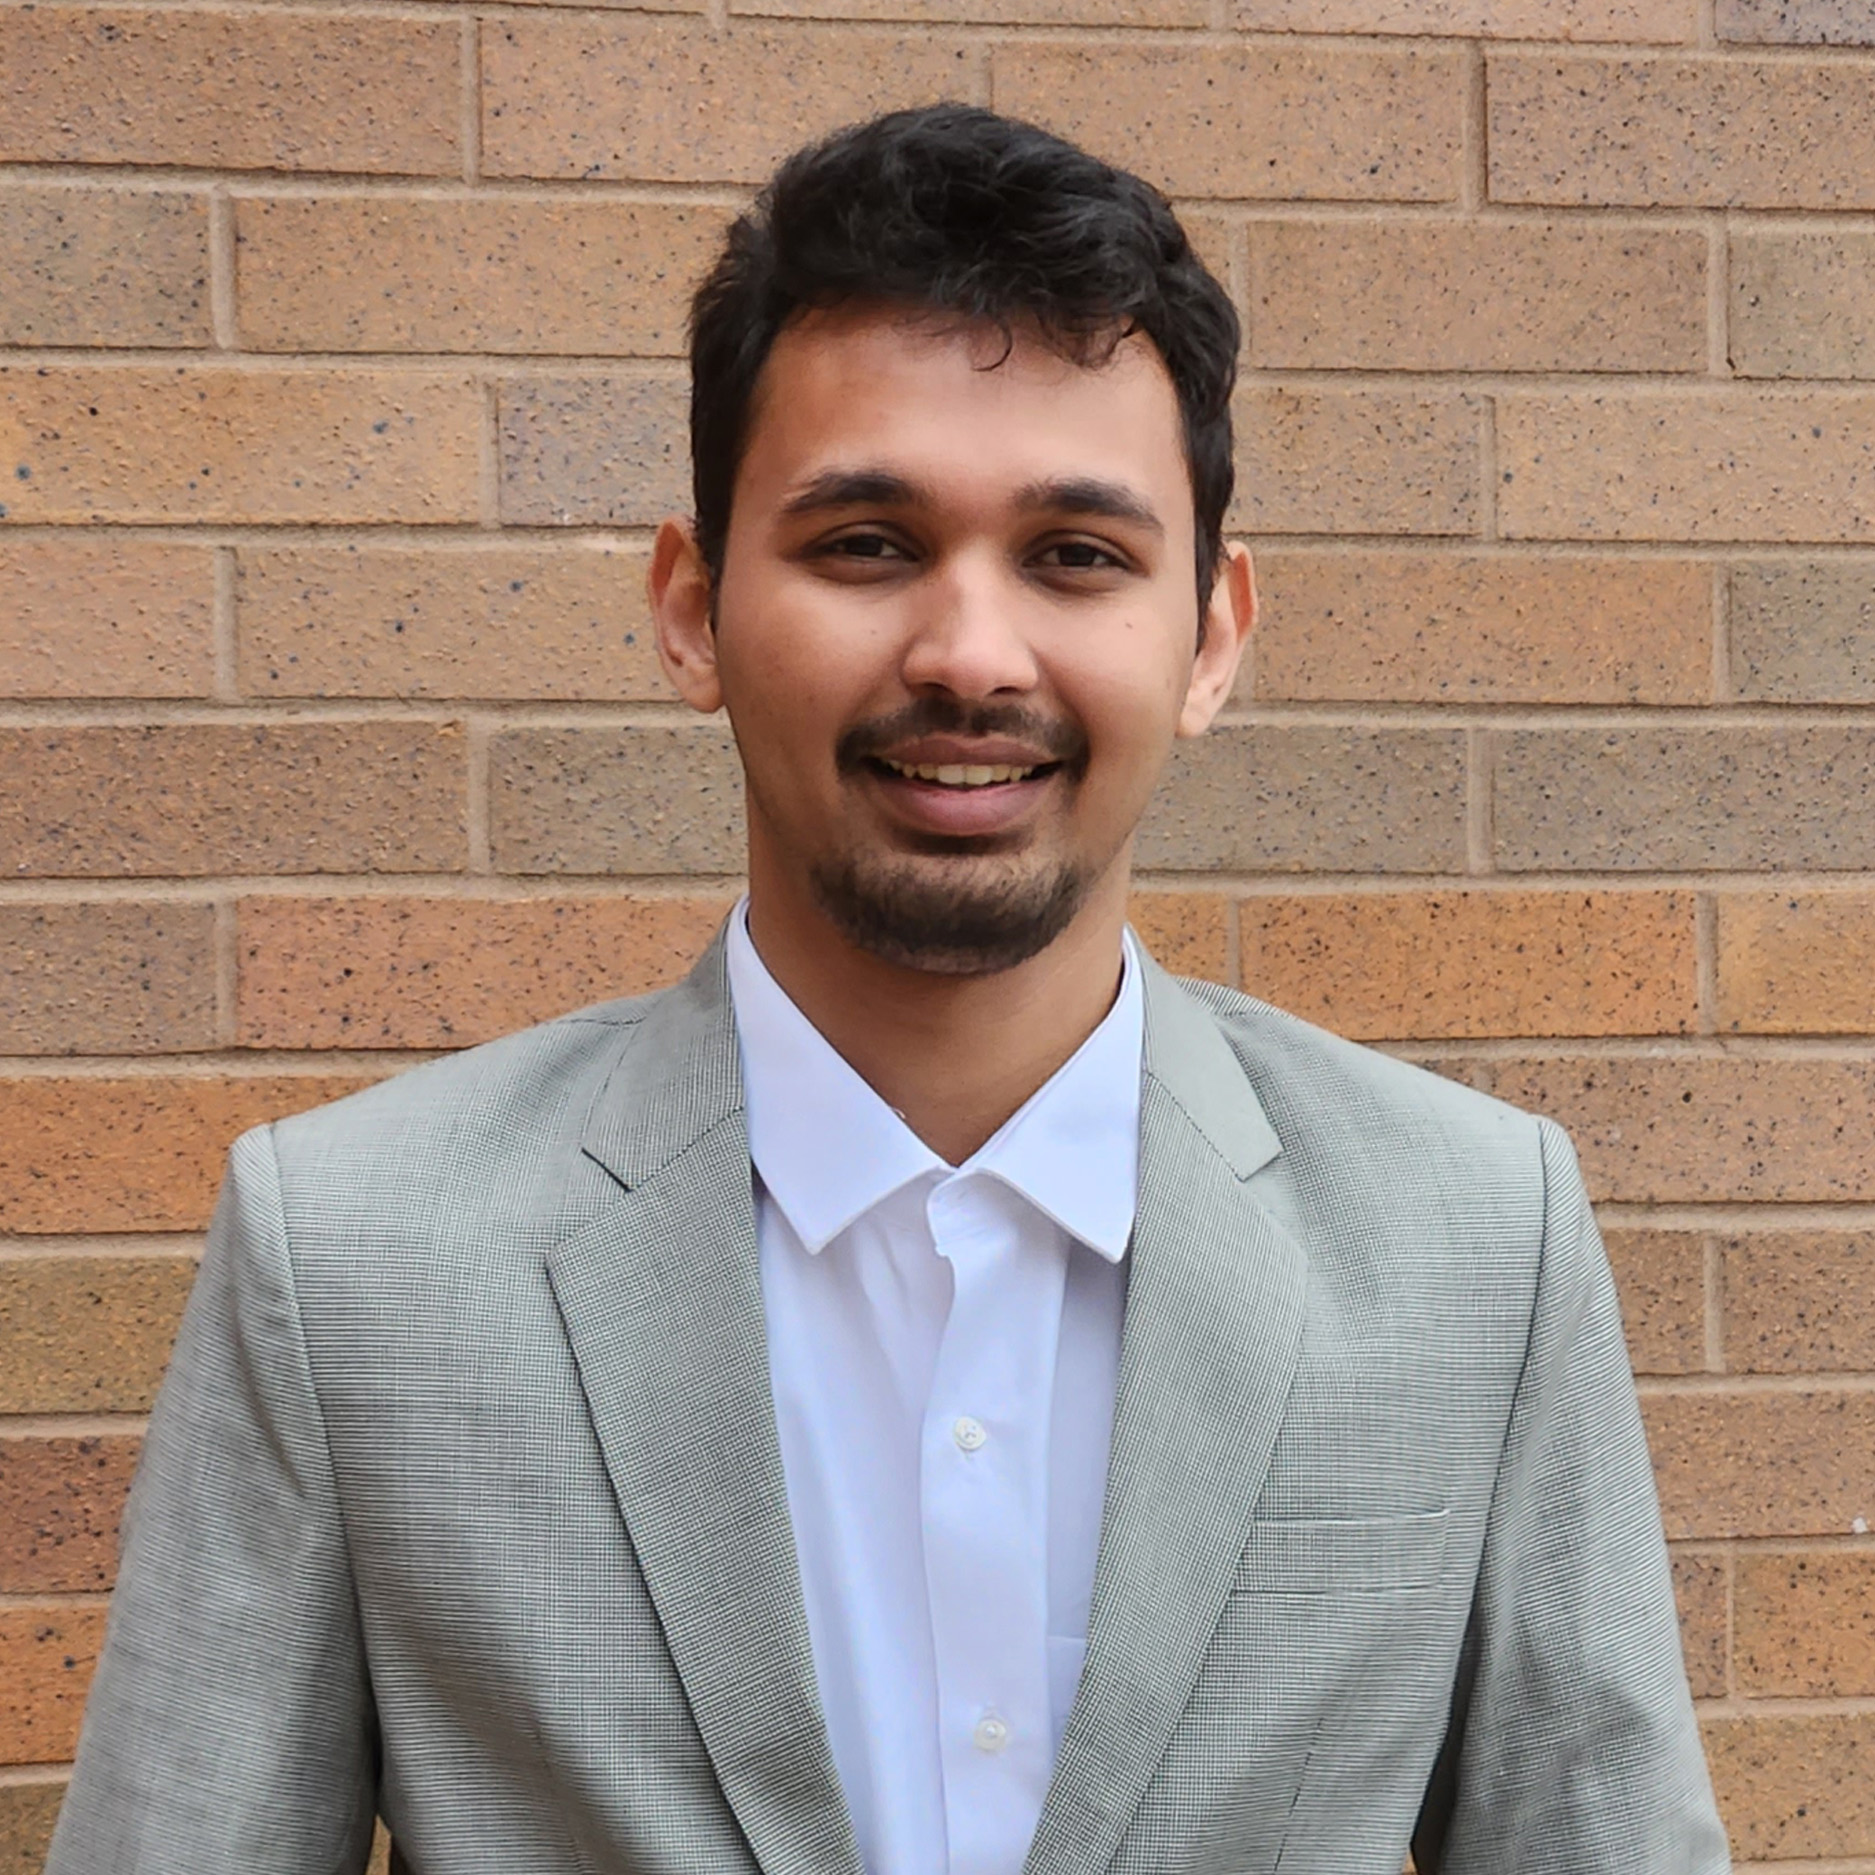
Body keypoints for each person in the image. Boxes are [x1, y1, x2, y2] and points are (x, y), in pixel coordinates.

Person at [48, 104, 1729, 1875]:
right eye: (865, 542)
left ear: (1213, 635)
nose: (971, 656)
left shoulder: (1475, 1242)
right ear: (691, 609)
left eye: (1076, 555)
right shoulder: (353, 1260)